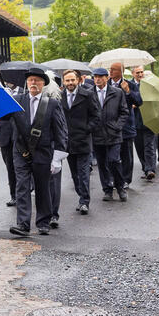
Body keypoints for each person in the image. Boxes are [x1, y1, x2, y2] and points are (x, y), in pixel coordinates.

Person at [7, 68, 68, 236]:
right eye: (31, 80)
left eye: (37, 80)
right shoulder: (17, 100)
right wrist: (3, 100)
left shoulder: (52, 104)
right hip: (20, 152)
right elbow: (3, 118)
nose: (33, 83)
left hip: (43, 152)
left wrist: (57, 157)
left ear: (43, 84)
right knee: (22, 186)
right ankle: (23, 224)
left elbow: (60, 131)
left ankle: (43, 221)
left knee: (43, 187)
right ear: (27, 83)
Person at [60, 70, 100, 215]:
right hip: (68, 142)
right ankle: (81, 195)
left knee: (83, 172)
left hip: (83, 140)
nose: (70, 83)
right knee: (75, 174)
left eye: (72, 80)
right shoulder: (60, 96)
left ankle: (84, 201)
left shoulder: (87, 95)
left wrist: (86, 129)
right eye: (67, 80)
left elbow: (96, 116)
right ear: (64, 82)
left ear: (78, 80)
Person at [91, 67, 130, 203]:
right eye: (95, 77)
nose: (97, 79)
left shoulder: (117, 92)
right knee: (102, 164)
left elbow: (124, 112)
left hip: (114, 134)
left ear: (107, 78)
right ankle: (107, 189)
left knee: (114, 161)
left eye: (100, 77)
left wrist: (118, 126)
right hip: (97, 134)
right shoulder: (89, 93)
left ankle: (120, 187)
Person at [109, 63, 141, 187]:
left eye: (113, 70)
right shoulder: (107, 85)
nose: (110, 72)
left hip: (126, 125)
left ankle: (126, 179)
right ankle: (112, 178)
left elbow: (138, 102)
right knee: (112, 155)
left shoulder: (130, 84)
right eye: (110, 69)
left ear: (121, 71)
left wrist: (128, 91)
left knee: (126, 154)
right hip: (110, 125)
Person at [131, 66, 158, 181]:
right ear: (133, 74)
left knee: (149, 146)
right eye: (137, 72)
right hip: (135, 121)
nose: (140, 74)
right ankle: (145, 168)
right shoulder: (129, 86)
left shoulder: (149, 84)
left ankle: (150, 169)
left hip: (149, 120)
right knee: (139, 147)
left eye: (141, 72)